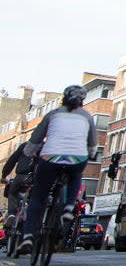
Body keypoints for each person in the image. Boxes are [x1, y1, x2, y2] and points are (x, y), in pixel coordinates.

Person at [15, 85, 98, 256]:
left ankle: (29, 236)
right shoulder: (87, 117)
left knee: (38, 196)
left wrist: (28, 153)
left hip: (50, 157)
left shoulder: (53, 114)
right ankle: (68, 207)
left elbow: (36, 139)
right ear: (82, 101)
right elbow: (92, 143)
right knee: (75, 176)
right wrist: (91, 154)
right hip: (76, 158)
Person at [2, 139, 36, 229]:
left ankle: (12, 214)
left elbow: (11, 161)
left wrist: (4, 175)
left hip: (21, 176)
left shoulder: (25, 145)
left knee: (12, 192)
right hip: (35, 179)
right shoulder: (45, 146)